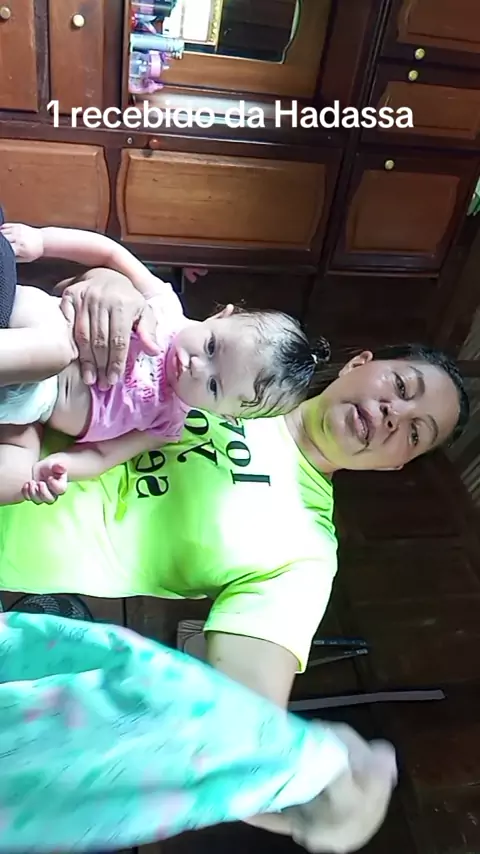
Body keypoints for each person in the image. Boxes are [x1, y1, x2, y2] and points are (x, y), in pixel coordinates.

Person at [0, 266, 467, 850]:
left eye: (415, 432)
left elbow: (245, 712)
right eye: (402, 386)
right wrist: (105, 287)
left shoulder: (305, 553)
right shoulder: (244, 354)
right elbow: (111, 302)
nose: (396, 414)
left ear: (395, 465)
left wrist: (301, 780)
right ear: (360, 363)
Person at [0, 219, 328, 505]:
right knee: (55, 353)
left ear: (224, 415)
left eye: (214, 385)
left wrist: (61, 469)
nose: (196, 366)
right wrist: (42, 240)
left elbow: (103, 455)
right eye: (212, 347)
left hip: (30, 411)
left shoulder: (165, 423)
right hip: (41, 325)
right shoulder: (164, 307)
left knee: (16, 480)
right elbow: (110, 253)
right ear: (221, 316)